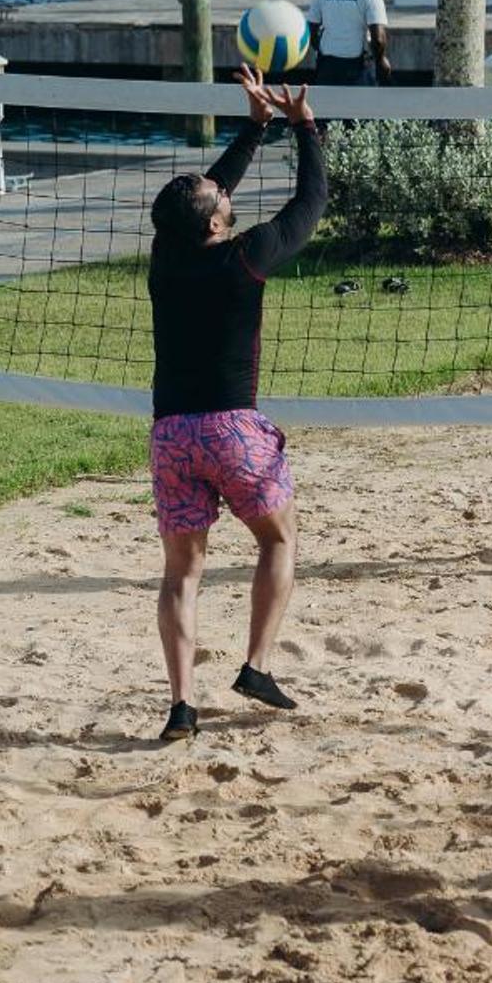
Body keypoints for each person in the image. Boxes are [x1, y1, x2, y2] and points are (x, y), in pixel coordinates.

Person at [147, 68, 326, 741]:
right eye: (219, 196)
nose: (224, 190)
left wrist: (254, 129)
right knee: (278, 539)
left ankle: (181, 706)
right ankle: (256, 665)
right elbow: (311, 201)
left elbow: (201, 200)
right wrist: (303, 127)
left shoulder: (166, 257)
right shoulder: (246, 258)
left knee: (181, 573)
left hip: (171, 434)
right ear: (218, 223)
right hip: (232, 432)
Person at [305, 0, 391, 88]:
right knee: (362, 103)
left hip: (327, 66)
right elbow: (378, 38)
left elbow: (311, 28)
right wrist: (381, 61)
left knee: (327, 103)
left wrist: (321, 49)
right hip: (358, 69)